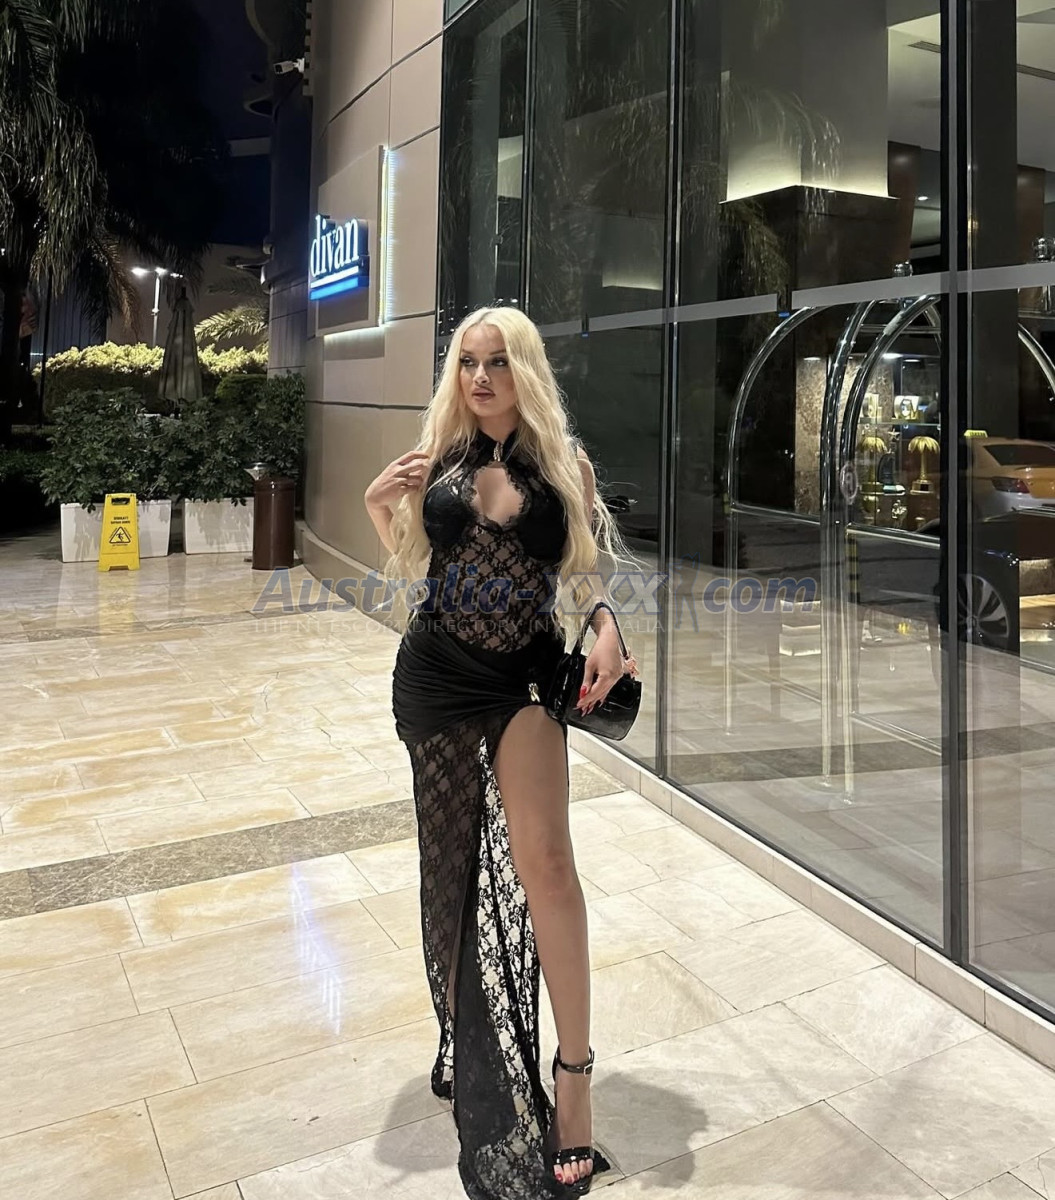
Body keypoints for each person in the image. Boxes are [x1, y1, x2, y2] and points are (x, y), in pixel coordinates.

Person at [364, 306, 634, 1199]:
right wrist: (377, 505)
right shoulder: (438, 460)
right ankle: (470, 1042)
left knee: (547, 865)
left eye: (498, 362)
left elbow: (584, 572)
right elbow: (415, 564)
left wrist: (605, 621)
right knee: (446, 880)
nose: (480, 377)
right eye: (468, 363)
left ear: (525, 369)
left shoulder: (563, 465)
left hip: (521, 678)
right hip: (436, 678)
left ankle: (573, 1077)